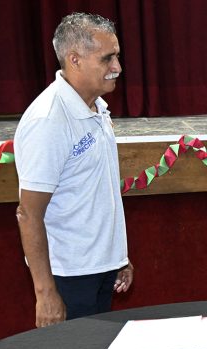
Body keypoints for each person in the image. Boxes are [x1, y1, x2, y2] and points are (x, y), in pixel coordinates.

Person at [14, 13, 133, 328]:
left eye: (117, 56)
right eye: (107, 58)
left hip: (100, 269)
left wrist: (116, 257)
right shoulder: (48, 120)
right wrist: (46, 292)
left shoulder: (97, 109)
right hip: (69, 277)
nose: (117, 67)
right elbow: (28, 214)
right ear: (75, 60)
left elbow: (96, 194)